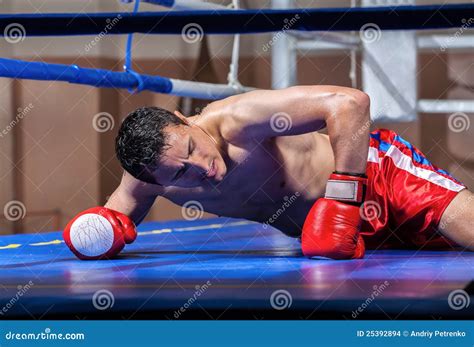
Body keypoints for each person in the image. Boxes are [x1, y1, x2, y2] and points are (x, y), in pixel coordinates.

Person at [63, 86, 473, 260]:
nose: (201, 169)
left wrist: (344, 197)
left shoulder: (237, 120)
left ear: (182, 118)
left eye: (192, 149)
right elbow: (115, 217)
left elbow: (350, 104)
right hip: (331, 239)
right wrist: (98, 232)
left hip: (380, 177)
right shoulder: (151, 177)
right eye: (180, 174)